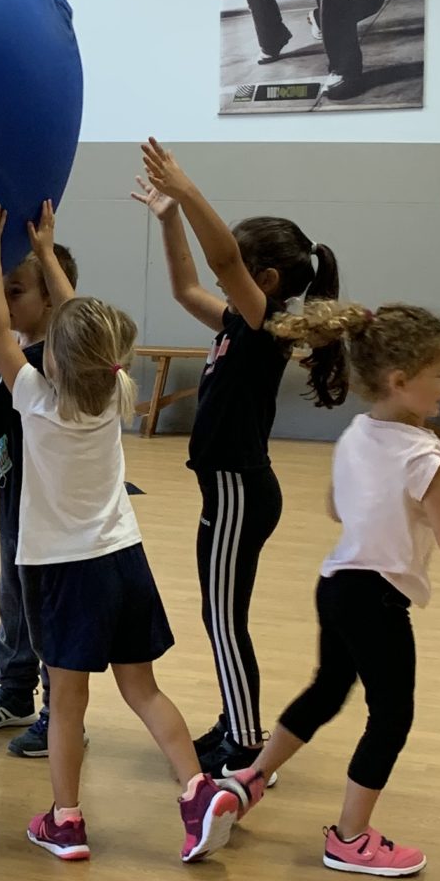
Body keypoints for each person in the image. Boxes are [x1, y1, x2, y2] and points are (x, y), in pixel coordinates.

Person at [0, 203, 226, 865]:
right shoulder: (114, 391)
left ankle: (66, 819)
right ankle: (197, 790)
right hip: (123, 561)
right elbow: (81, 327)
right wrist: (48, 253)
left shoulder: (34, 396)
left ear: (52, 350)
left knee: (69, 701)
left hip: (62, 573)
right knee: (143, 689)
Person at [199, 300, 440, 877]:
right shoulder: (426, 455)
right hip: (377, 598)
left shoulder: (357, 432)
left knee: (328, 690)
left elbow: (334, 505)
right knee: (391, 715)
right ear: (401, 381)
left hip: (337, 584)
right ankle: (350, 837)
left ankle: (249, 779)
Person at [134, 139, 345, 777]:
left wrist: (189, 188)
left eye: (240, 270)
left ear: (267, 281)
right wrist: (171, 216)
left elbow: (221, 258)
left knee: (222, 621)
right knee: (223, 614)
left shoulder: (265, 324)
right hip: (235, 491)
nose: (227, 276)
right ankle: (237, 721)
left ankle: (246, 742)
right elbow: (184, 286)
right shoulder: (238, 323)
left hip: (238, 492)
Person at [0, 232, 81, 759]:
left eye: (16, 290)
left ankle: (58, 713)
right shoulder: (21, 364)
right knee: (15, 600)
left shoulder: (37, 368)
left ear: (51, 296)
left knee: (46, 610)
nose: (5, 302)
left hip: (50, 515)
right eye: (0, 290)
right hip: (17, 505)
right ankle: (15, 692)